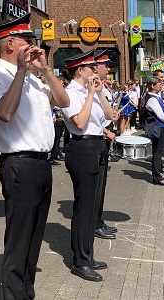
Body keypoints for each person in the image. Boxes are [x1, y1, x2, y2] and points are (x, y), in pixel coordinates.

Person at [0, 13, 69, 299]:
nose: (34, 45)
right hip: (20, 164)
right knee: (19, 240)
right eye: (27, 41)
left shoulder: (33, 78)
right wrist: (20, 71)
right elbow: (4, 113)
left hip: (41, 165)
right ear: (9, 45)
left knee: (34, 238)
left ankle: (25, 294)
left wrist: (45, 70)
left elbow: (64, 102)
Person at [61, 49, 113, 282]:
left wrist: (99, 93)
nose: (96, 71)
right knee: (84, 207)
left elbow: (110, 115)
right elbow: (80, 123)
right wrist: (91, 94)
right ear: (80, 71)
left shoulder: (89, 91)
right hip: (81, 147)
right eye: (92, 68)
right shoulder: (69, 93)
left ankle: (88, 256)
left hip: (97, 146)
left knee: (92, 206)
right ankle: (80, 261)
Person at [94, 51, 118, 240]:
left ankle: (98, 220)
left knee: (102, 185)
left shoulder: (103, 89)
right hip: (96, 140)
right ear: (96, 67)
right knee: (95, 188)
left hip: (103, 140)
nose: (108, 69)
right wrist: (106, 131)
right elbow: (88, 122)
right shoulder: (91, 89)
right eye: (106, 66)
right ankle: (94, 223)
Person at [143, 76, 164, 186]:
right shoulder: (151, 99)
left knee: (159, 151)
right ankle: (157, 177)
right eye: (159, 84)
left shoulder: (156, 97)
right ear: (152, 86)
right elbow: (160, 115)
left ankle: (157, 175)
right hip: (158, 127)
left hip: (161, 126)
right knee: (158, 152)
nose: (161, 86)